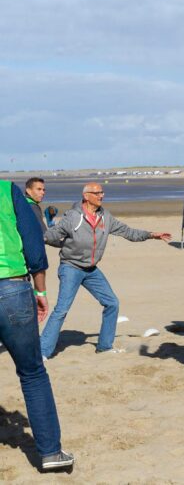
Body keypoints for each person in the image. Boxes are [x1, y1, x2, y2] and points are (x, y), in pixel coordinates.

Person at [40, 182, 171, 359]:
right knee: (62, 309)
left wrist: (150, 235)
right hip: (71, 267)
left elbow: (127, 232)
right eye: (97, 193)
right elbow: (52, 235)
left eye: (102, 192)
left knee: (112, 303)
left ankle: (104, 346)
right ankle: (43, 352)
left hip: (91, 270)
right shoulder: (73, 217)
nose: (101, 195)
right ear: (86, 196)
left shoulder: (105, 217)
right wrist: (37, 238)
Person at [0, 179, 74, 470]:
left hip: (12, 289)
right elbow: (33, 245)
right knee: (32, 373)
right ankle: (50, 452)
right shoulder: (7, 190)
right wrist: (41, 291)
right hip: (12, 287)